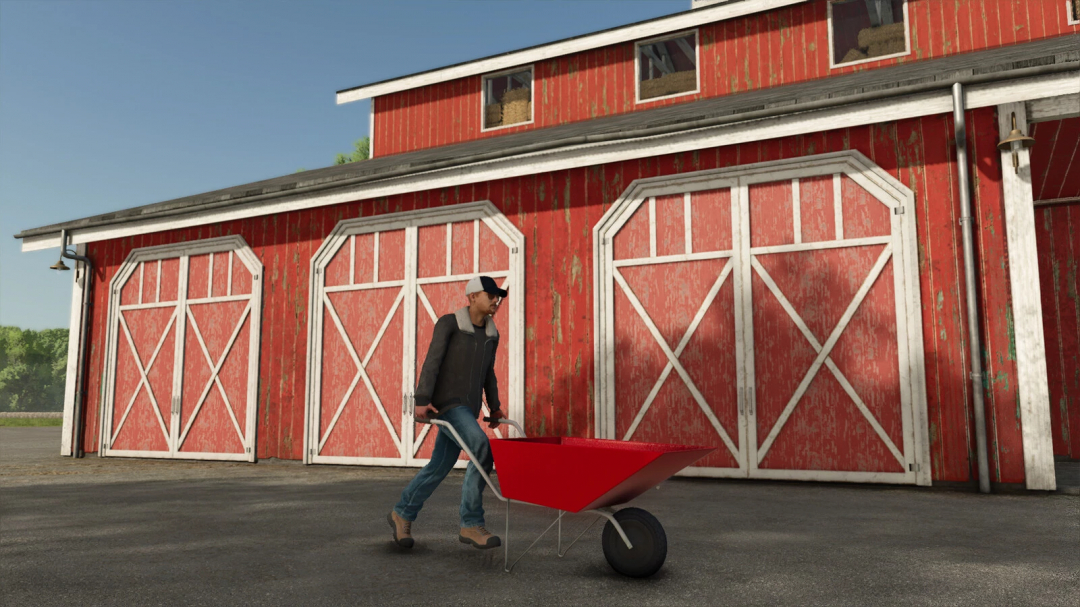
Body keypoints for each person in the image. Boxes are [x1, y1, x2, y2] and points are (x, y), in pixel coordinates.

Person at [387, 275, 508, 550]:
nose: (495, 300)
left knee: (438, 467)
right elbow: (433, 360)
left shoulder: (491, 334)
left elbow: (488, 373)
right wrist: (422, 399)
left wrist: (495, 405)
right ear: (472, 296)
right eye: (489, 294)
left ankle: (402, 512)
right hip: (449, 406)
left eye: (497, 296)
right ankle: (471, 523)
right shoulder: (450, 323)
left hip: (470, 408)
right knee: (480, 448)